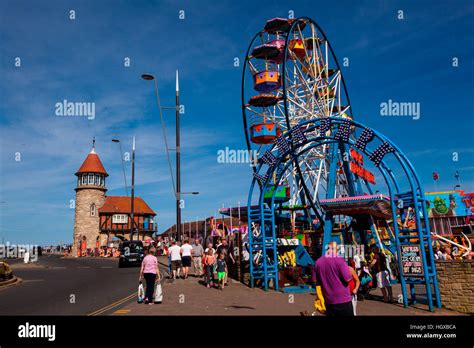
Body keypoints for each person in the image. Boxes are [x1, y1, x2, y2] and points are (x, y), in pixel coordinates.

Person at [312, 241, 354, 316]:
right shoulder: (340, 260)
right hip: (343, 299)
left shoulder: (318, 262)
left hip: (328, 300)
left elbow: (315, 280)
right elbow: (348, 279)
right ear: (336, 249)